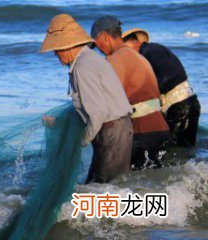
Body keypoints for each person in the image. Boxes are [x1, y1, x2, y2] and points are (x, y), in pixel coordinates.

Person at [41, 14, 133, 183]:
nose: (55, 55)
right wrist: (60, 123)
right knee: (104, 185)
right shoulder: (87, 60)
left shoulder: (82, 67)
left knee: (106, 188)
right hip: (114, 129)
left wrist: (81, 141)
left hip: (111, 132)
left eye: (56, 49)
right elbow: (91, 108)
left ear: (66, 46)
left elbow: (98, 112)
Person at [91, 16, 170, 170]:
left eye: (96, 44)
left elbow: (104, 100)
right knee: (153, 182)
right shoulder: (138, 56)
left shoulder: (114, 60)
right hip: (160, 129)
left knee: (130, 184)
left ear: (104, 37)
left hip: (143, 132)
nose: (98, 50)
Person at [122, 28, 201, 147]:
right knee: (186, 150)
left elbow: (163, 80)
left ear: (130, 44)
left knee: (172, 151)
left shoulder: (146, 53)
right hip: (190, 102)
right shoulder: (157, 48)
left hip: (179, 107)